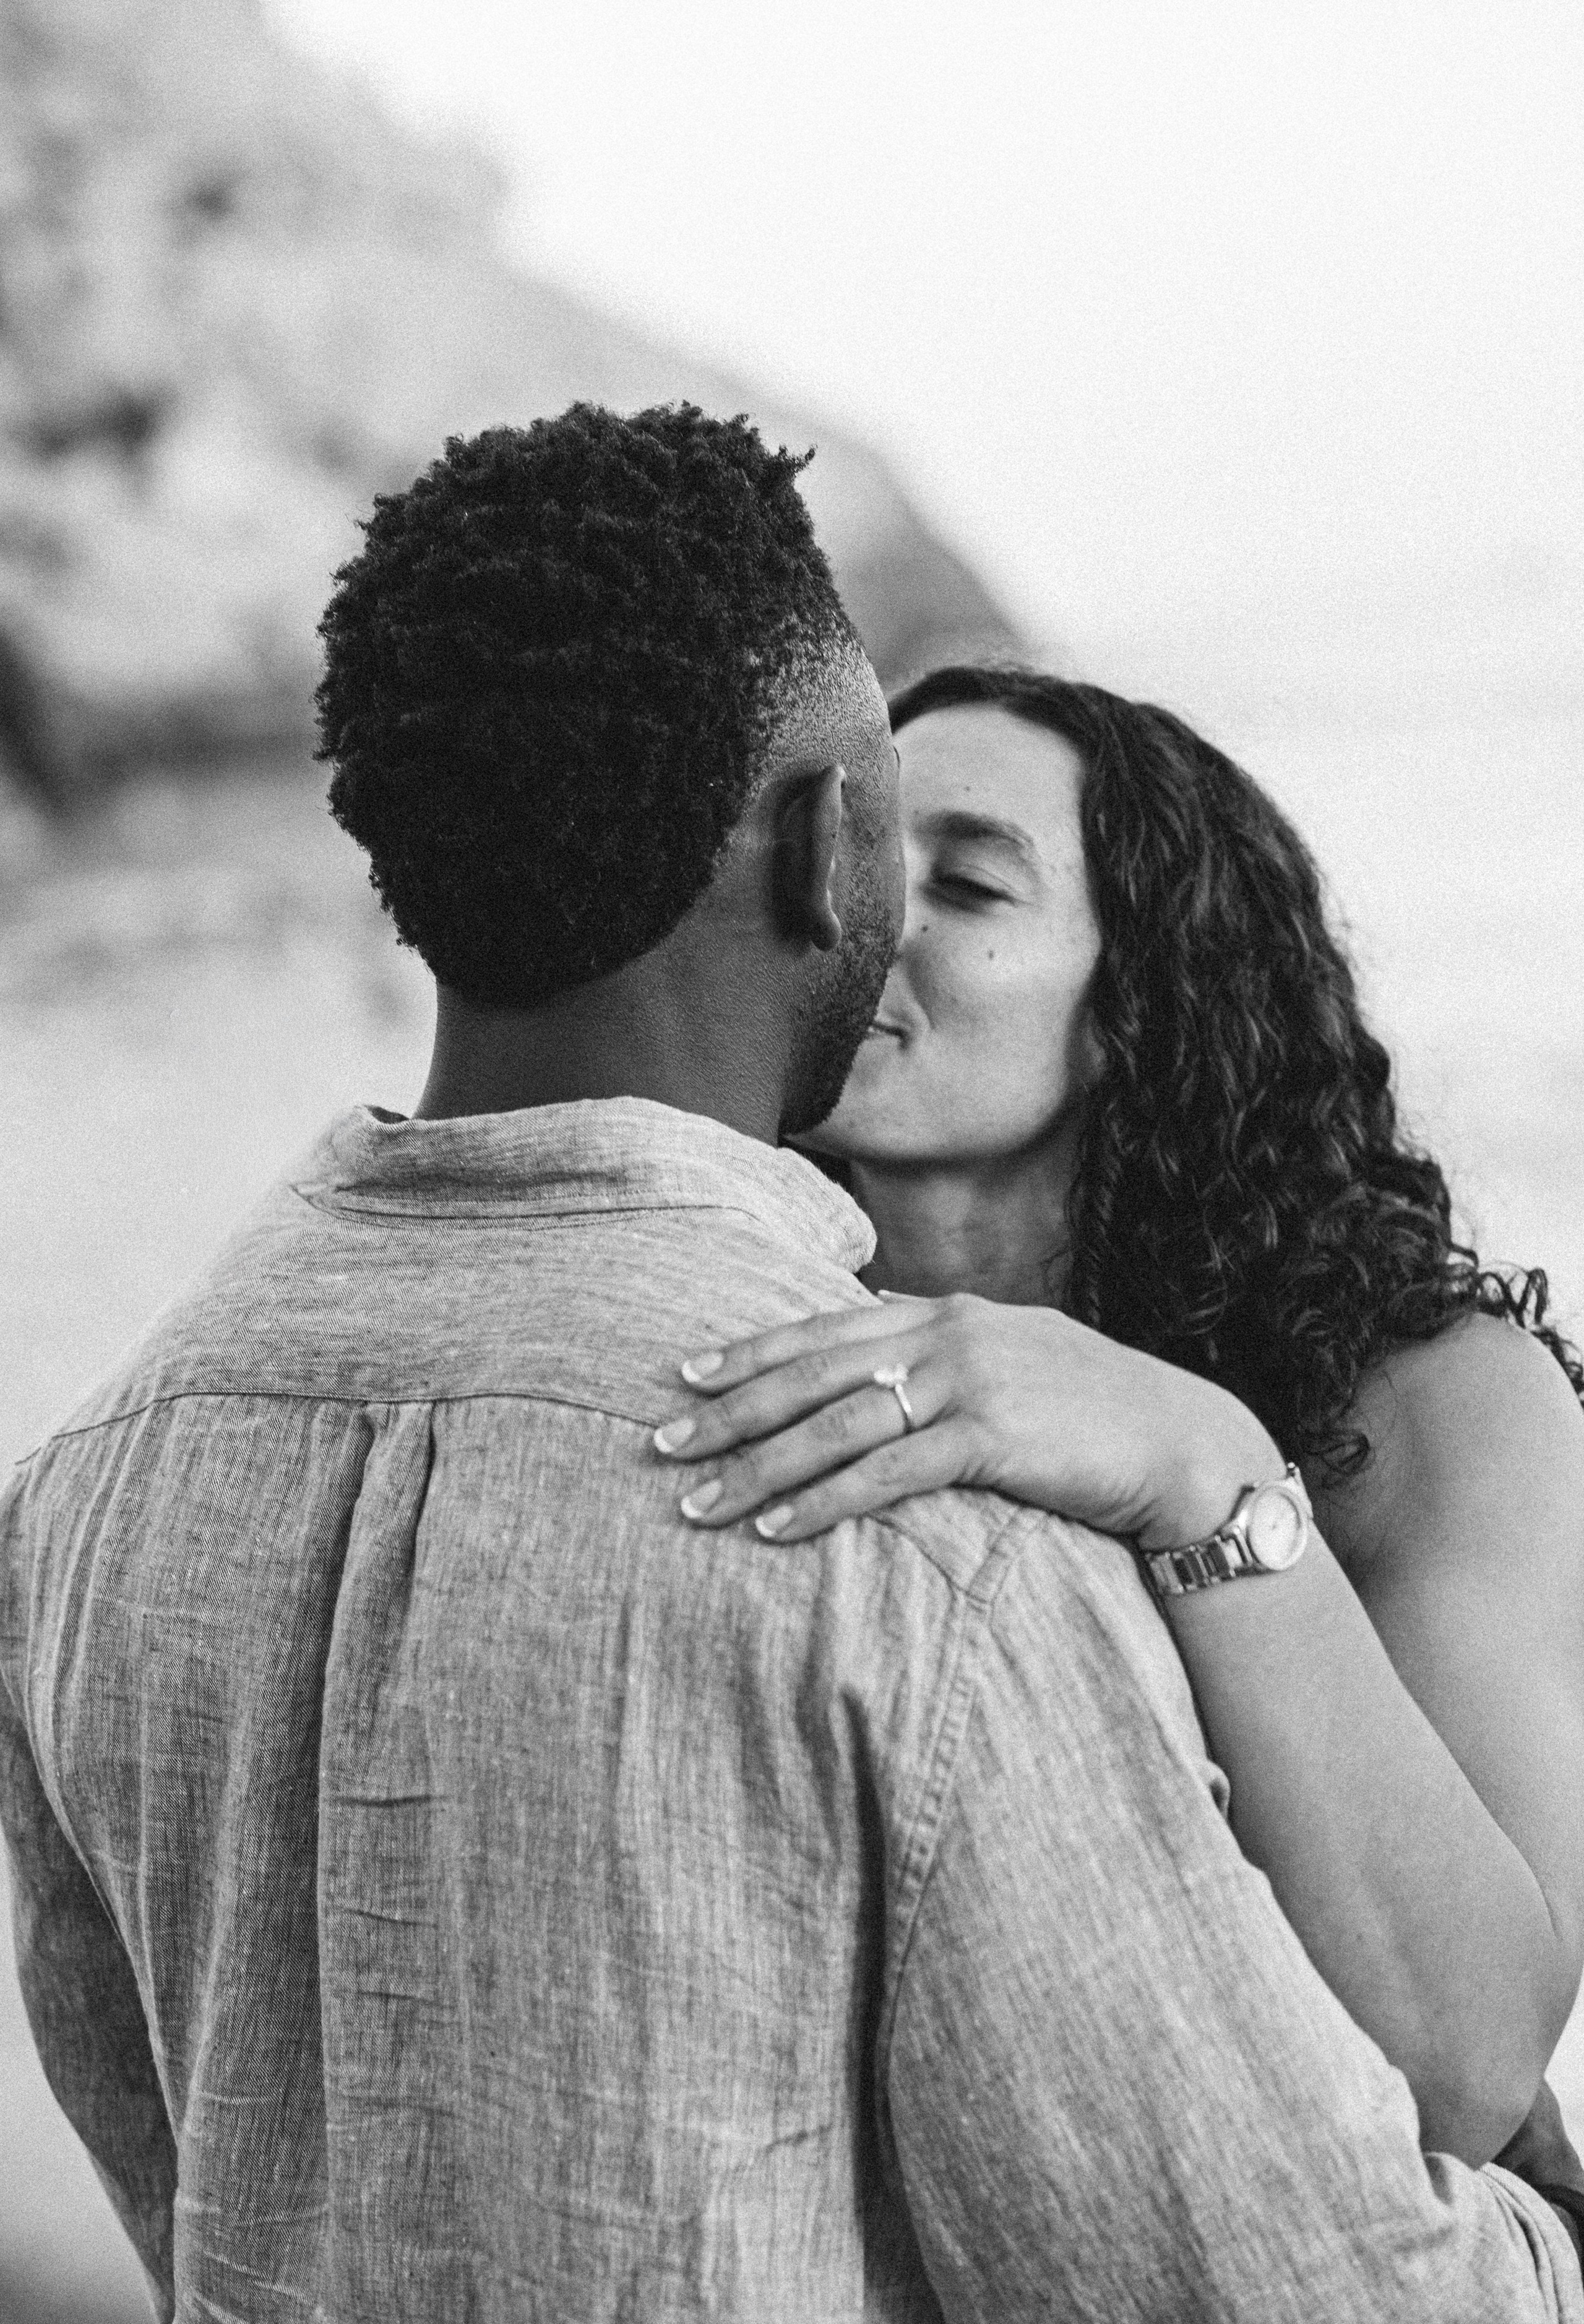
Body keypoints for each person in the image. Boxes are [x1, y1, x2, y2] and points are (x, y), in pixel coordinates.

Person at [1, 411, 1581, 2324]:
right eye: (907, 849)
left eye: (982, 881)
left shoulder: (91, 1485)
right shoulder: (915, 1528)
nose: (908, 916)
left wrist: (1213, 1468)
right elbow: (1301, 2279)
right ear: (831, 852)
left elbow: (185, 2168)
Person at [655, 663, 1584, 2195]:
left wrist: (1196, 1465)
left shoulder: (1434, 1397)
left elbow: (1466, 2067)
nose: (862, 921)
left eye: (962, 882)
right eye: (844, 861)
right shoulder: (724, 1326)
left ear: (1140, 1000)